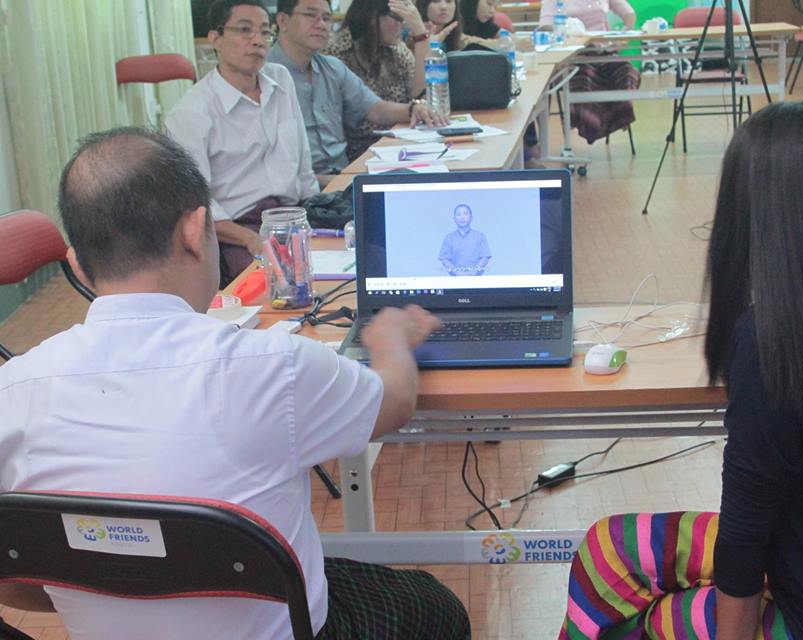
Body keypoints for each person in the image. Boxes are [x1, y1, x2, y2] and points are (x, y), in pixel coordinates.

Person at [0, 126, 471, 640]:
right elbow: (394, 402)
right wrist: (392, 340)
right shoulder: (272, 366)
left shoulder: (13, 391)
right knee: (435, 607)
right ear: (193, 231)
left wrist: (109, 582)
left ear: (77, 263)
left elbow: (11, 574)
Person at [558, 73, 803, 640]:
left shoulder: (773, 341)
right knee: (608, 549)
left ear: (747, 210)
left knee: (636, 602)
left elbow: (746, 539)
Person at [165, 0, 319, 286]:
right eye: (245, 30)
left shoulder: (280, 80)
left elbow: (303, 161)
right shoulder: (191, 113)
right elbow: (196, 205)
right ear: (215, 39)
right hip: (238, 230)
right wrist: (250, 238)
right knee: (284, 288)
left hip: (294, 215)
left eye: (265, 32)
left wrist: (315, 212)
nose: (258, 41)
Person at [270, 0, 447, 178]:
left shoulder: (332, 67)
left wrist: (413, 109)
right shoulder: (264, 75)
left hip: (343, 174)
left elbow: (375, 109)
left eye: (326, 18)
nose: (321, 24)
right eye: (310, 15)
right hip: (302, 186)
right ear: (283, 21)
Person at [324, 0, 457, 160]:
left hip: (401, 142)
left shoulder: (396, 49)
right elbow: (372, 114)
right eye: (398, 18)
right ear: (372, 17)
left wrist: (420, 36)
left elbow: (420, 96)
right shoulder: (335, 52)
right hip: (359, 154)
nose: (403, 25)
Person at [537, 0, 639, 144]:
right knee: (583, 77)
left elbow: (629, 13)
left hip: (604, 51)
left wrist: (625, 36)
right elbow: (544, 27)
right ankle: (590, 123)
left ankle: (618, 117)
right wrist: (564, 31)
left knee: (626, 71)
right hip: (574, 56)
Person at [438, 204, 491, 275]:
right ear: (454, 219)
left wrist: (473, 272)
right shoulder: (449, 238)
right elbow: (445, 259)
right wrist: (457, 273)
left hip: (476, 279)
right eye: (459, 214)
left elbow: (485, 258)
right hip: (455, 279)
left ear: (471, 218)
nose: (462, 217)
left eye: (465, 214)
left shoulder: (480, 236)